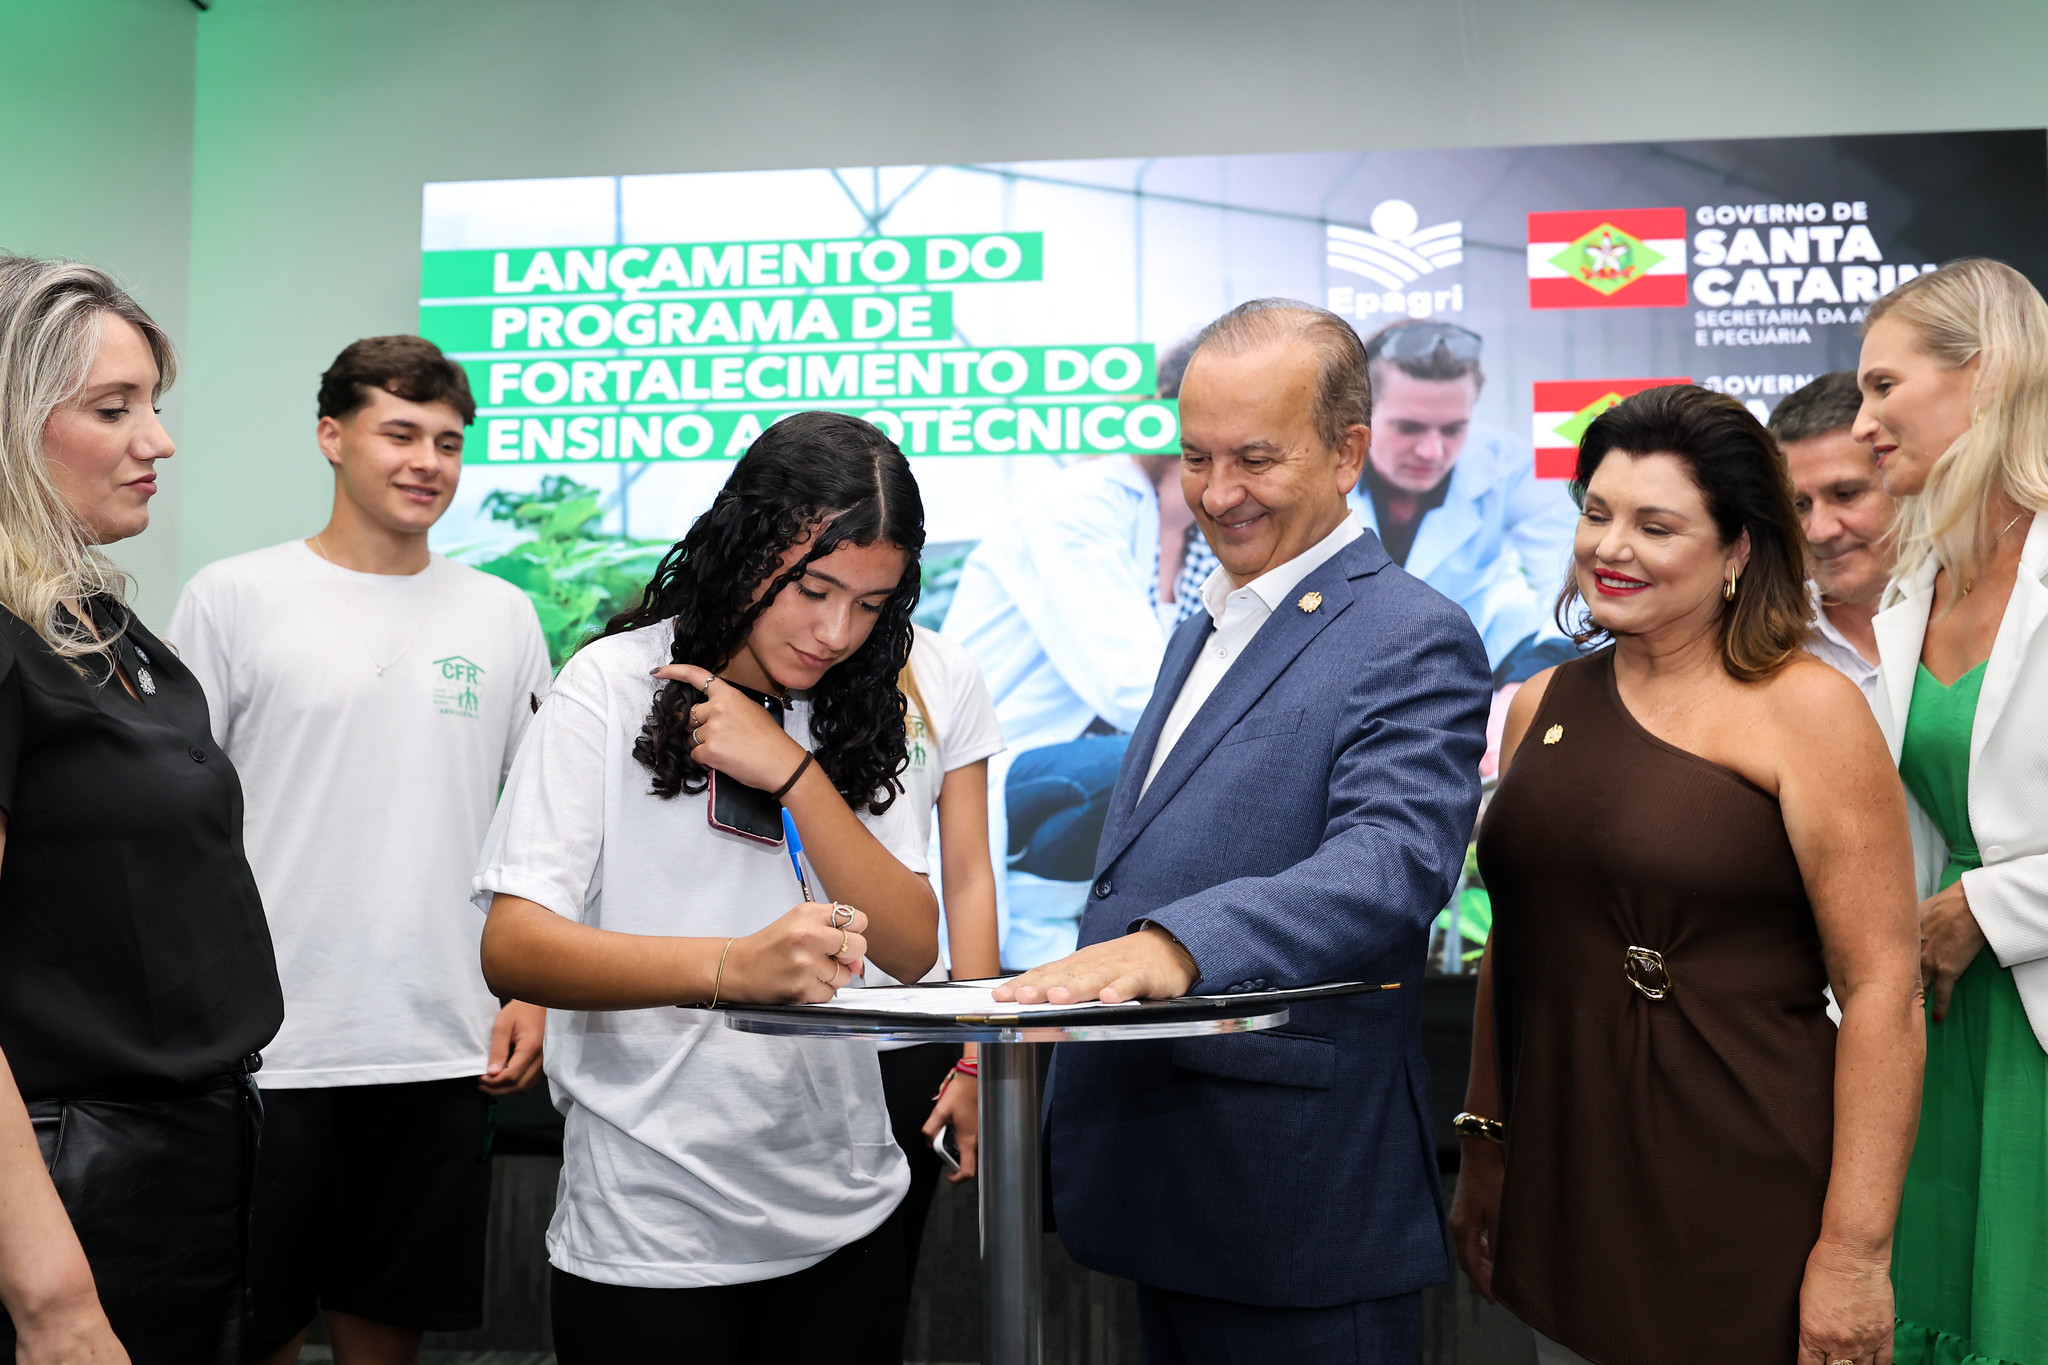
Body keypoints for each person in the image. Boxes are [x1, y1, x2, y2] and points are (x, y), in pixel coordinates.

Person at [998, 299, 1492, 1363]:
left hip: (1295, 1200)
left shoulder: (1410, 634)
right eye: (1196, 458)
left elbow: (1391, 862)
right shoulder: (1208, 622)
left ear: (1346, 453)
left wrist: (1178, 945)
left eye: (1255, 459)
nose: (1219, 493)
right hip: (1169, 1182)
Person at [1450, 383, 1925, 1365]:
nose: (1610, 548)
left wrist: (1853, 1254)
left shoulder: (1808, 710)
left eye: (1654, 526)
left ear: (1737, 548)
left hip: (1744, 1189)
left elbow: (1883, 987)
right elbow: (1516, 943)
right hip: (1564, 1186)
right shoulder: (1537, 701)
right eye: (1596, 513)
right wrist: (1484, 1144)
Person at [471, 410, 940, 1364]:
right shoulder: (609, 685)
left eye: (870, 604)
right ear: (747, 547)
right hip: (651, 1230)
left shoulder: (859, 704)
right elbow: (514, 946)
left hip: (844, 1214)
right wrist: (731, 967)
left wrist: (794, 771)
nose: (835, 631)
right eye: (813, 588)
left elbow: (912, 945)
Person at [166, 335, 555, 1365]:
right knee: (253, 1326)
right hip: (265, 1040)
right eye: (400, 433)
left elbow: (545, 824)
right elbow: (175, 816)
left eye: (448, 442)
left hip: (442, 1038)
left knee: (389, 1329)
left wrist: (532, 987)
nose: (428, 461)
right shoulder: (233, 596)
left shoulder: (503, 613)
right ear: (331, 437)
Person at [0, 256, 283, 1362]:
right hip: (66, 1184)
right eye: (113, 409)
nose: (157, 441)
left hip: (192, 1169)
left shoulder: (103, 626)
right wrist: (52, 1298)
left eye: (152, 406)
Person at [1854, 258, 2048, 1365]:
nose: (1863, 423)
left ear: (1984, 375)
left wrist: (1987, 906)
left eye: (1884, 386)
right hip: (1932, 1026)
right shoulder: (1910, 587)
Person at [1174, 319, 1577, 767]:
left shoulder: (1512, 466)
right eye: (1408, 427)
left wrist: (1522, 687)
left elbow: (1571, 587)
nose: (1431, 451)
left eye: (1453, 429)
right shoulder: (1290, 487)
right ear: (1356, 430)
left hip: (1488, 670)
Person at [942, 341, 1201, 966]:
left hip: (1075, 764)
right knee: (1166, 761)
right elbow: (1132, 687)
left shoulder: (1195, 532)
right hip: (994, 764)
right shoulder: (1082, 502)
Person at [866, 629, 1003, 1293]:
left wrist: (976, 1058)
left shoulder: (945, 668)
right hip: (778, 1016)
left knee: (879, 1283)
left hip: (910, 1031)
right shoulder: (780, 651)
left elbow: (968, 874)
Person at [1772, 370, 1897, 706]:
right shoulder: (1762, 645)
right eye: (1800, 505)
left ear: (1905, 482)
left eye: (1845, 494)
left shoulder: (1982, 614)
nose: (1820, 530)